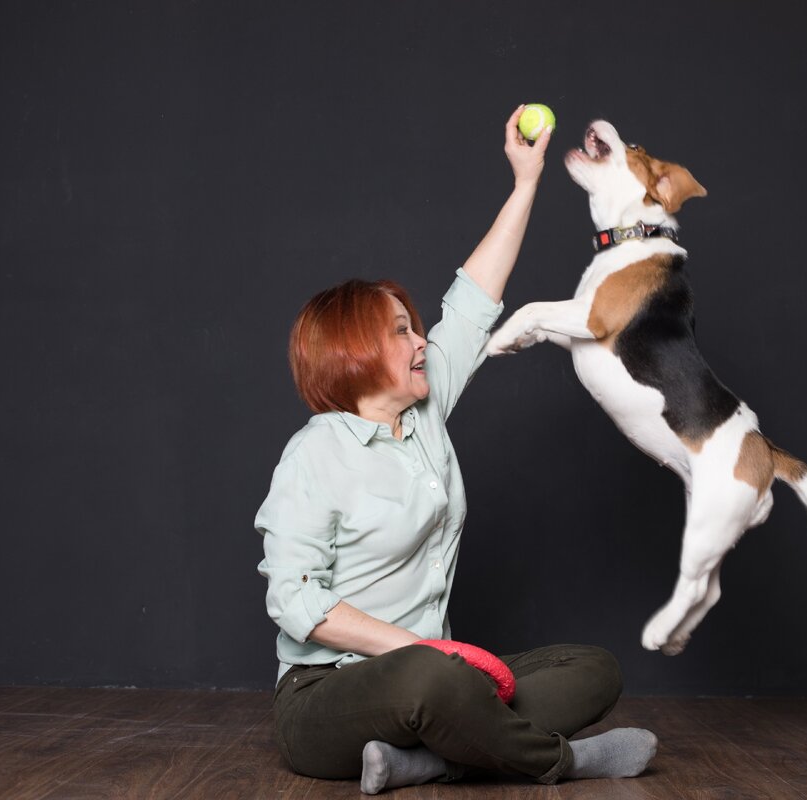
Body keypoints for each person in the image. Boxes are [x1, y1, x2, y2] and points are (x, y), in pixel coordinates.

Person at [254, 106, 658, 794]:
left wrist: (526, 181)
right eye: (402, 333)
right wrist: (426, 651)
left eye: (417, 330)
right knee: (428, 681)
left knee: (594, 669)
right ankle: (561, 762)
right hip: (328, 696)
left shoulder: (425, 406)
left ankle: (427, 762)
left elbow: (474, 300)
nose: (422, 344)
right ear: (353, 355)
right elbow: (295, 600)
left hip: (441, 677)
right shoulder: (313, 455)